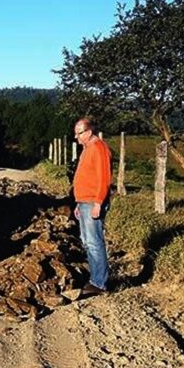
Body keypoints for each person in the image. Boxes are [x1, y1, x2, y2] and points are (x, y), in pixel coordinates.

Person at [72, 117, 112, 296]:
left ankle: (99, 283)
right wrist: (79, 202)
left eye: (79, 133)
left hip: (92, 202)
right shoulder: (87, 149)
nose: (76, 137)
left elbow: (104, 177)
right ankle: (94, 278)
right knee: (87, 242)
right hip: (85, 201)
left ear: (88, 132)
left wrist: (98, 202)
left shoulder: (98, 148)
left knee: (94, 242)